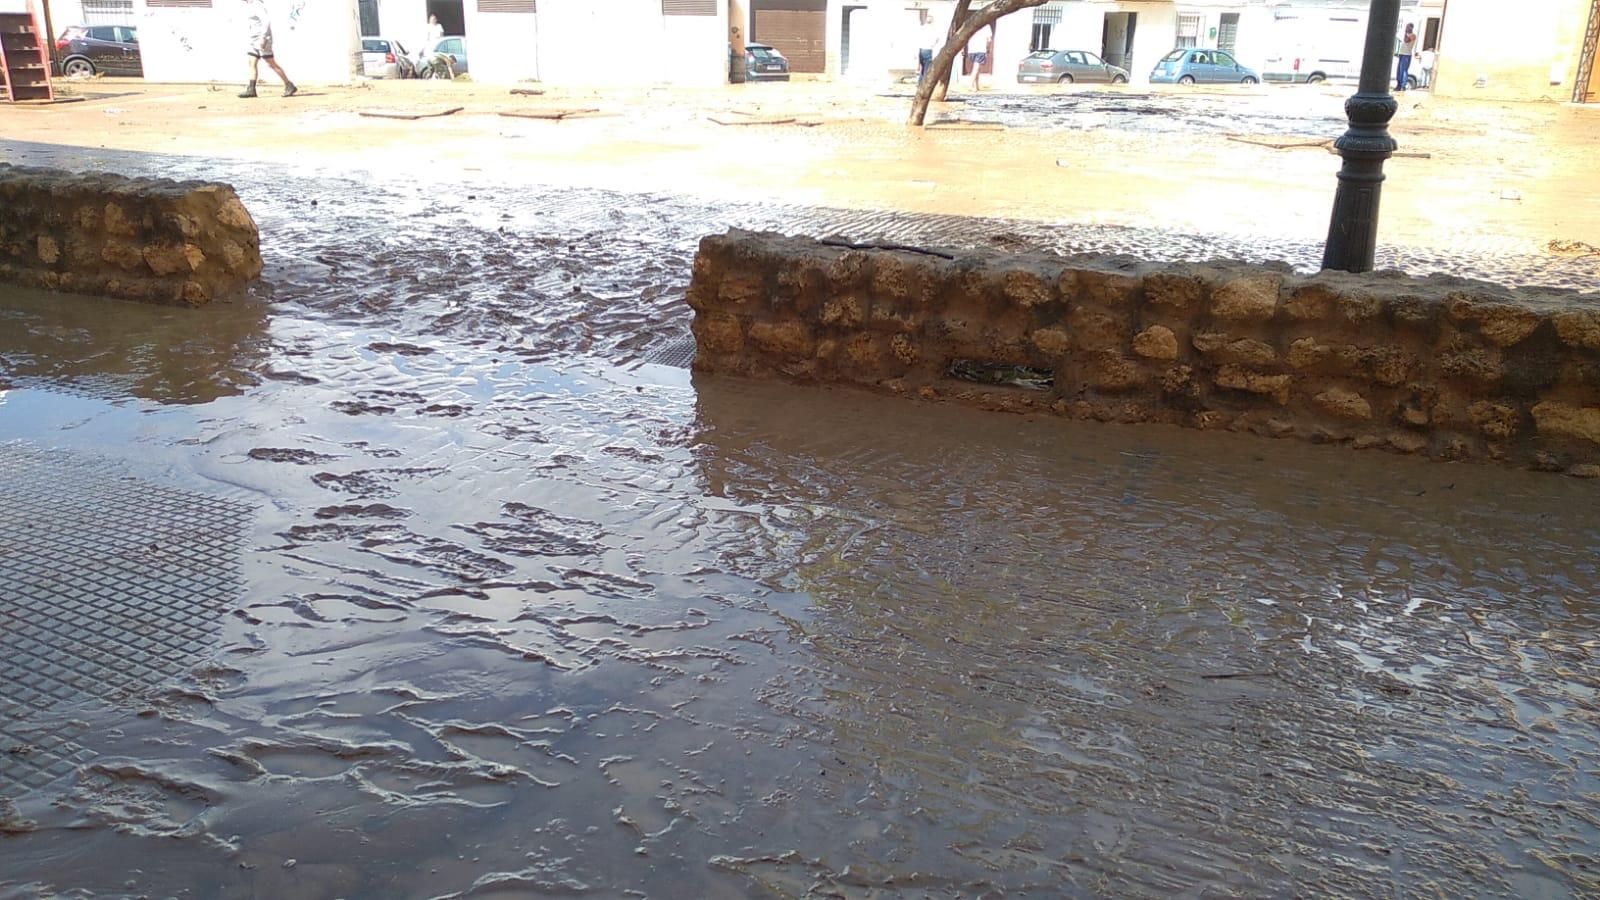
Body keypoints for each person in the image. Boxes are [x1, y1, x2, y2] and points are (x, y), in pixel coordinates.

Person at [238, 0, 295, 98]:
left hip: (262, 39)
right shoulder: (250, 5)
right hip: (254, 39)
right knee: (252, 62)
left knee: (270, 63)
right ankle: (251, 89)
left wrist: (263, 38)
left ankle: (289, 85)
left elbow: (266, 21)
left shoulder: (257, 4)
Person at [917, 12, 944, 86]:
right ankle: (924, 83)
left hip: (921, 49)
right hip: (928, 49)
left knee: (923, 67)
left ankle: (920, 82)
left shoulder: (922, 28)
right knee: (927, 68)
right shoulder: (933, 29)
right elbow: (937, 39)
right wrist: (933, 45)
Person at [966, 22, 993, 92]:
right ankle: (970, 84)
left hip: (971, 49)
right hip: (980, 49)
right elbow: (989, 40)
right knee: (976, 68)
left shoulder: (971, 24)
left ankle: (976, 86)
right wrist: (988, 48)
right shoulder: (986, 26)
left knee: (977, 68)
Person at [1396, 23, 1417, 91]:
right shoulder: (1407, 35)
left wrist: (1405, 33)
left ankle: (1403, 85)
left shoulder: (1413, 35)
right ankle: (1398, 84)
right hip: (1402, 54)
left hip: (1407, 55)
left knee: (1404, 70)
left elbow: (1406, 40)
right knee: (1399, 70)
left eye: (1408, 27)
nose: (1407, 28)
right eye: (1406, 27)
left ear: (1411, 28)